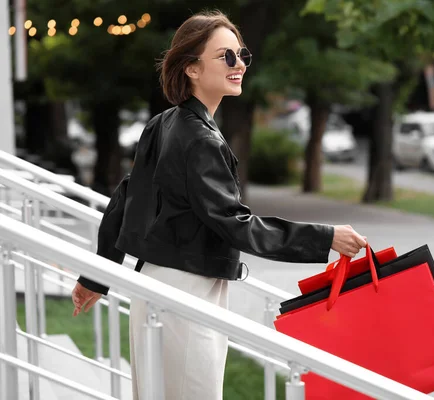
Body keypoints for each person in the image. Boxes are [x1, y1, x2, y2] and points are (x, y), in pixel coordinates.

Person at [71, 10, 367, 400]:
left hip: (159, 287)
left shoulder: (164, 123)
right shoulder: (198, 139)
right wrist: (326, 237)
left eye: (242, 54)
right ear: (192, 69)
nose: (239, 64)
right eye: (226, 56)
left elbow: (125, 200)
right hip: (185, 293)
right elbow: (234, 222)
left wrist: (97, 276)